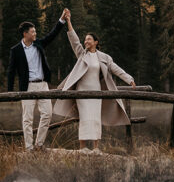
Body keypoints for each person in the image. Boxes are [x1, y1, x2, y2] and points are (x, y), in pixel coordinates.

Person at [53, 10, 135, 153]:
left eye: (89, 39)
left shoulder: (104, 57)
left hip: (96, 92)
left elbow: (116, 69)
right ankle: (83, 147)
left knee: (96, 117)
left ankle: (96, 148)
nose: (86, 41)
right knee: (84, 117)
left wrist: (129, 79)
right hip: (82, 92)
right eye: (85, 39)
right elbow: (74, 40)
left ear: (96, 42)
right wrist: (68, 21)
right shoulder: (81, 54)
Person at [6, 9, 69, 151]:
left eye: (35, 32)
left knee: (47, 114)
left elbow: (52, 35)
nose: (35, 34)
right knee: (27, 118)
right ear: (25, 34)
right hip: (27, 87)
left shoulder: (39, 44)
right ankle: (29, 148)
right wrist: (10, 91)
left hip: (42, 85)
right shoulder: (15, 50)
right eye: (33, 32)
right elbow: (11, 72)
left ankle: (39, 144)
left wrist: (62, 20)